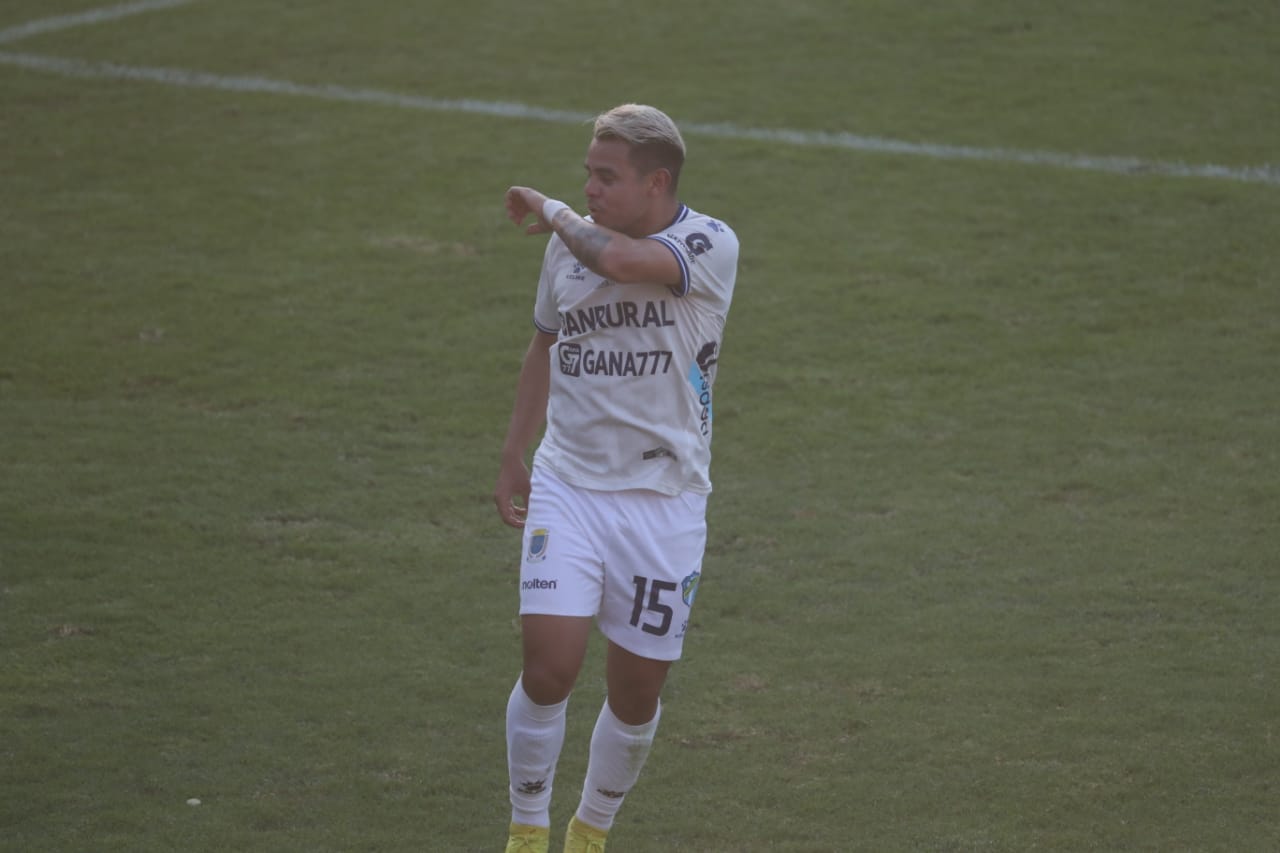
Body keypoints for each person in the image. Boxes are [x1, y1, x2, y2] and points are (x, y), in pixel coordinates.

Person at [494, 103, 739, 853]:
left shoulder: (707, 242)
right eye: (585, 175)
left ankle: (589, 829)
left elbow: (622, 262)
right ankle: (527, 829)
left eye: (608, 177)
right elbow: (543, 345)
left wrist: (552, 207)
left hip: (664, 505)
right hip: (569, 487)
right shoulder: (564, 254)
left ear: (657, 182)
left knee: (637, 697)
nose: (591, 188)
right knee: (550, 666)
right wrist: (515, 449)